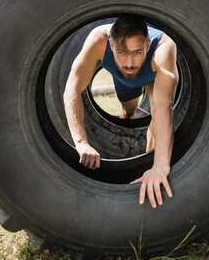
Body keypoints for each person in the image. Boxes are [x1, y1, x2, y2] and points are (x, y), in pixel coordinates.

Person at [63, 15, 179, 208]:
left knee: (155, 112)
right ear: (110, 45)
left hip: (151, 74)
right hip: (123, 81)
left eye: (137, 52)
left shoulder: (163, 48)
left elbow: (163, 107)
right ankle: (128, 118)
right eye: (121, 52)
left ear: (148, 45)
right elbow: (72, 89)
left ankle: (149, 167)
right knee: (127, 108)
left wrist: (160, 165)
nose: (128, 62)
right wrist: (82, 142)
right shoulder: (98, 40)